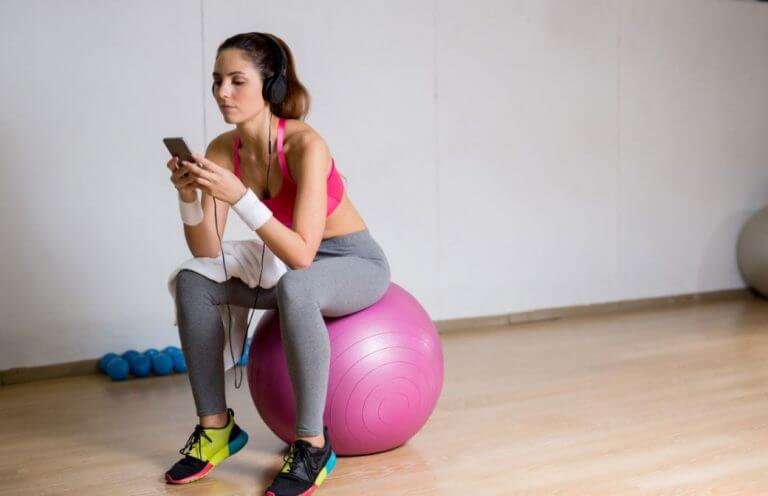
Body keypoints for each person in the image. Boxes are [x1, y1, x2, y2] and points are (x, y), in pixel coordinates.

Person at [163, 32, 391, 496]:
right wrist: (190, 197)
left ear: (270, 86)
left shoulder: (307, 145)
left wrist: (240, 197)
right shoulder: (226, 147)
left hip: (351, 261)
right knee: (192, 280)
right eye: (217, 81)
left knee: (298, 286)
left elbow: (304, 255)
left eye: (237, 81)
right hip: (286, 263)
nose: (222, 93)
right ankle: (216, 429)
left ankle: (312, 444)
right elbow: (208, 251)